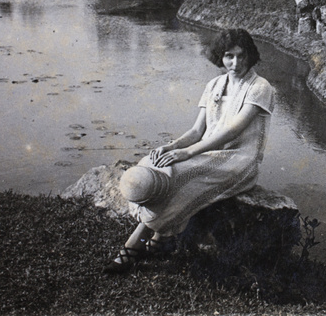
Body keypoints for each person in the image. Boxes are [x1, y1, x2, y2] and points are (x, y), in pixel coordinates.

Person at [104, 28, 275, 273]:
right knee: (155, 164)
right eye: (229, 56)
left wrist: (188, 153)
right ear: (220, 57)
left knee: (179, 175)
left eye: (241, 56)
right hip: (210, 152)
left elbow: (232, 132)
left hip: (240, 160)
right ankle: (160, 240)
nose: (235, 63)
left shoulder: (260, 87)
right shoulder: (215, 84)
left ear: (250, 55)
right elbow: (197, 131)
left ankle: (133, 248)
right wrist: (172, 147)